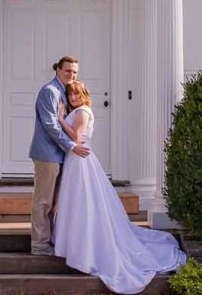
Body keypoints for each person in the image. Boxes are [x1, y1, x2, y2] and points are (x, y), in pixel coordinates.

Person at [53, 80, 186, 294]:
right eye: (70, 95)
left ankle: (86, 250)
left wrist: (60, 119)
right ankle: (77, 247)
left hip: (80, 160)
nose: (73, 98)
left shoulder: (83, 112)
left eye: (76, 95)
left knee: (84, 204)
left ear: (83, 95)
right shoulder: (78, 110)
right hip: (75, 159)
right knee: (78, 204)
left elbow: (76, 137)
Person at [30, 55, 88, 256]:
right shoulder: (50, 92)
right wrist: (72, 146)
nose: (71, 75)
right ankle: (39, 245)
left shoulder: (66, 92)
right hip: (47, 155)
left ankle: (53, 240)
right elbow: (50, 125)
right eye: (67, 71)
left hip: (61, 155)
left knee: (56, 203)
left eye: (74, 72)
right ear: (58, 70)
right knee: (43, 201)